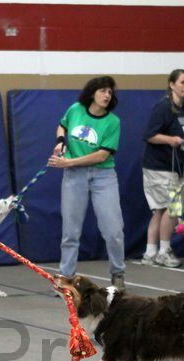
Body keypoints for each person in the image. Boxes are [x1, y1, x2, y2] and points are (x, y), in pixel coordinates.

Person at [48, 76, 126, 289]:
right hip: (74, 176)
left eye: (110, 92)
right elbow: (62, 127)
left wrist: (68, 162)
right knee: (70, 231)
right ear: (92, 93)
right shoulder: (75, 110)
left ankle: (117, 273)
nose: (107, 95)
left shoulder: (113, 122)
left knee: (113, 231)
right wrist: (61, 142)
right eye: (102, 91)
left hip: (103, 177)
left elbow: (101, 155)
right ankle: (66, 277)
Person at [140, 68, 184, 268]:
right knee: (173, 208)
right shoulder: (163, 108)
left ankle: (150, 252)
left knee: (160, 211)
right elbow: (149, 135)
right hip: (160, 167)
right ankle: (164, 251)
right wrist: (171, 139)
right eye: (182, 82)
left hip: (179, 167)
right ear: (171, 84)